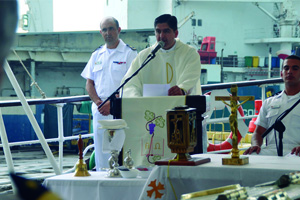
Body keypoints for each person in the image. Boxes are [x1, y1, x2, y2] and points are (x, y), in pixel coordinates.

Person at [81, 17, 137, 170]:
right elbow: (89, 83)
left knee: (121, 149)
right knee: (101, 151)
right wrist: (98, 102)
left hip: (121, 108)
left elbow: (132, 84)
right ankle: (102, 178)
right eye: (104, 30)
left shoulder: (129, 54)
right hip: (100, 109)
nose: (108, 33)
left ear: (118, 30)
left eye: (111, 28)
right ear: (101, 32)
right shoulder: (96, 55)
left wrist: (111, 103)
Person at [121, 14, 202, 97]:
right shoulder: (144, 56)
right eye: (158, 31)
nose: (161, 36)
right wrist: (136, 99)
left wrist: (182, 89)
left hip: (181, 107)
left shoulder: (189, 53)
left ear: (176, 33)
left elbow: (191, 76)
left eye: (166, 31)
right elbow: (130, 83)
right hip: (150, 108)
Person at [244, 55, 300, 156]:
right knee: (251, 156)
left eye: (295, 68)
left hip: (296, 151)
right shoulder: (269, 102)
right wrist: (256, 145)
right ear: (281, 74)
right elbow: (258, 132)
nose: (289, 71)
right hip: (271, 149)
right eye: (286, 68)